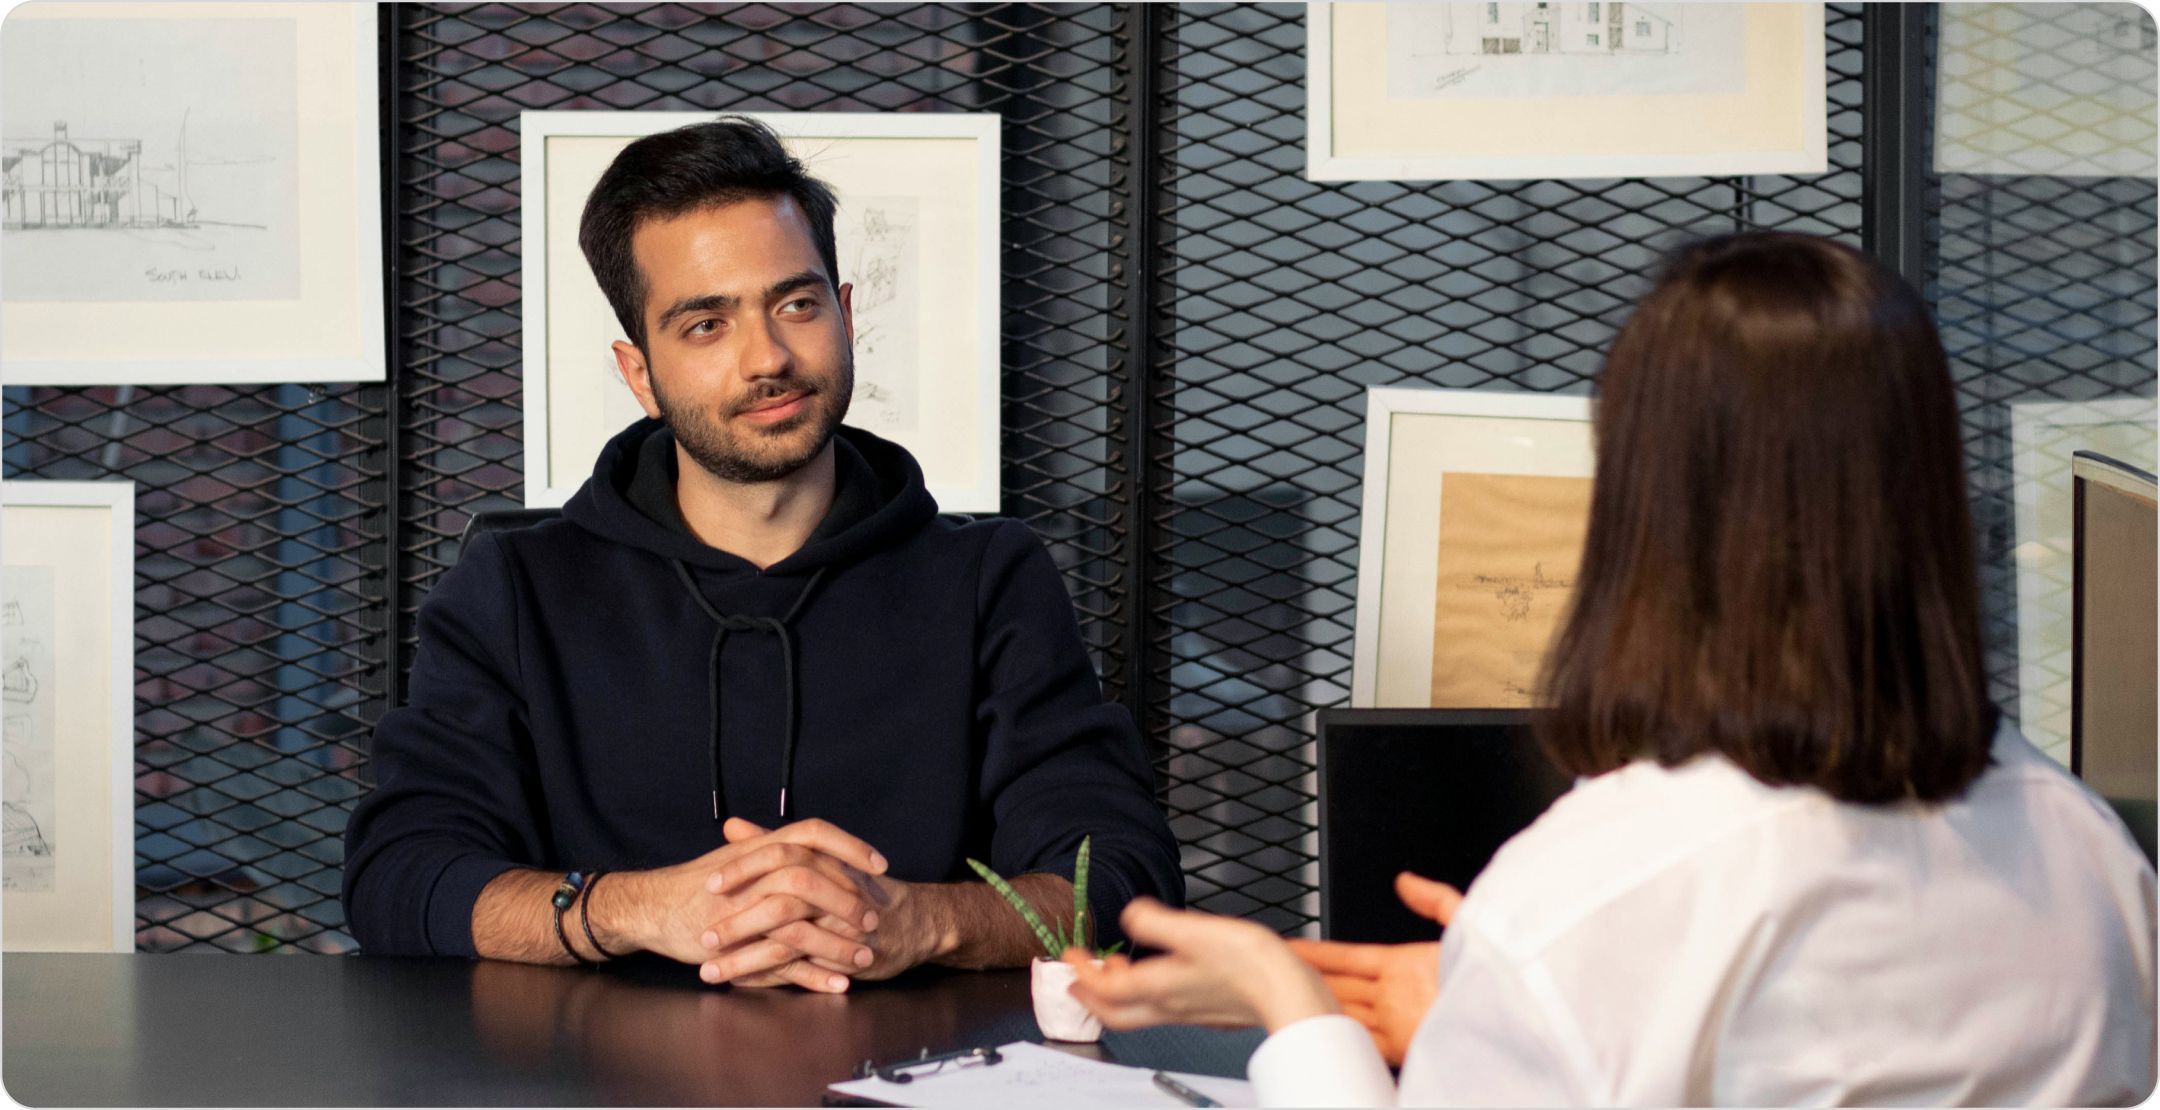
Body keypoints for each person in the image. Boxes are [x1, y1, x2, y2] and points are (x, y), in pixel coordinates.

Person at [1063, 232, 2158, 1105]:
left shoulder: (1596, 891)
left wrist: (1293, 1013)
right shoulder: (2092, 856)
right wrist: (1509, 991)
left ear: (1647, 509)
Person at [342, 116, 1183, 991]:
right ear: (640, 374)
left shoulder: (989, 580)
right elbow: (399, 878)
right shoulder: (517, 588)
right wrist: (640, 909)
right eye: (706, 324)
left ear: (846, 313)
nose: (769, 358)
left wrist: (915, 921)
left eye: (796, 304)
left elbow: (1126, 885)